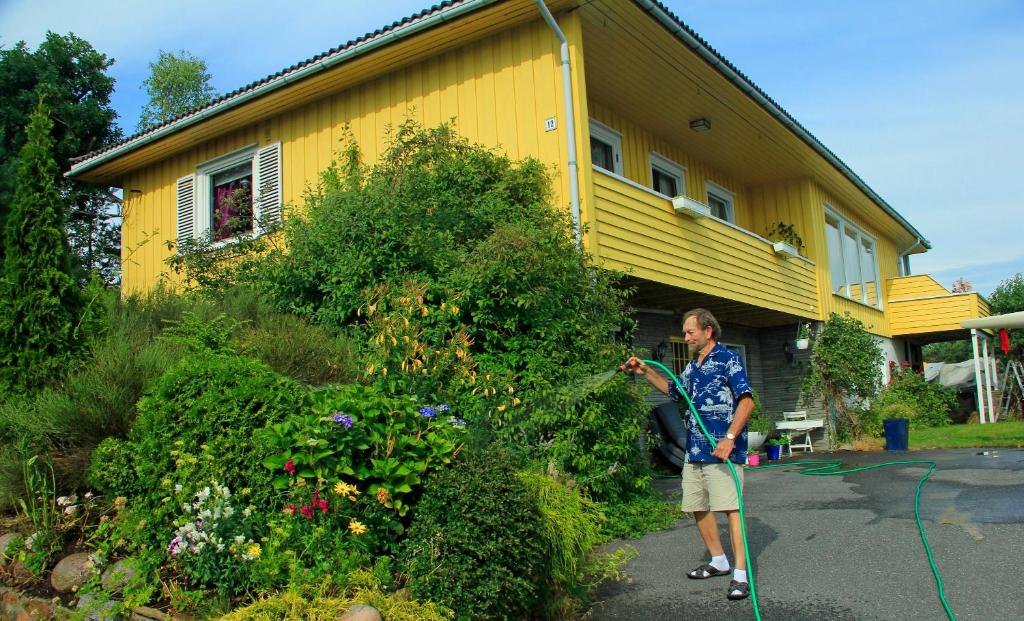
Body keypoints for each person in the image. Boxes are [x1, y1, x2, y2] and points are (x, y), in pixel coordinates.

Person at [624, 308, 754, 600]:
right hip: (695, 448)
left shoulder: (728, 360)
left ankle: (741, 575)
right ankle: (719, 560)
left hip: (722, 449)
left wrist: (730, 438)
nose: (686, 338)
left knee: (731, 509)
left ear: (708, 331)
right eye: (684, 333)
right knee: (697, 504)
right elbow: (674, 392)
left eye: (690, 332)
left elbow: (746, 402)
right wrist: (645, 372)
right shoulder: (693, 366)